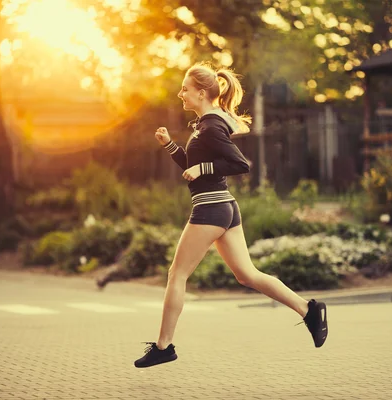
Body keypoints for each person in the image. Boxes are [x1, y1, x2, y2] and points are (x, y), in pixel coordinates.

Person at [134, 62, 328, 368]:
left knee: (177, 274)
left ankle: (164, 346)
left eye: (185, 89)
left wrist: (203, 168)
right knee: (247, 275)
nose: (180, 93)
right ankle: (309, 310)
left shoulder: (210, 127)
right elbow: (191, 167)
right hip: (224, 206)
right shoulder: (203, 126)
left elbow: (241, 165)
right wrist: (171, 146)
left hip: (211, 207)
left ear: (200, 93)